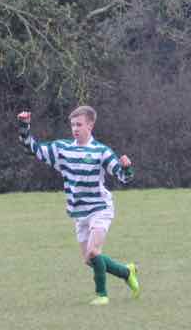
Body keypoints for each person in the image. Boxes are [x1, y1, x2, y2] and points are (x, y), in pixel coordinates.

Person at [17, 106, 140, 305]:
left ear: (90, 126)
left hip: (100, 208)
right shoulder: (63, 149)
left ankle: (102, 295)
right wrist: (24, 126)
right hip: (79, 213)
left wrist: (126, 168)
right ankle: (127, 272)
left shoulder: (101, 151)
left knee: (93, 252)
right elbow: (33, 149)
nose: (75, 128)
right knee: (89, 260)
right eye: (73, 125)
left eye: (79, 125)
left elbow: (123, 177)